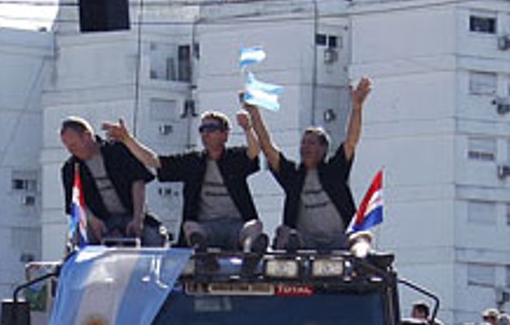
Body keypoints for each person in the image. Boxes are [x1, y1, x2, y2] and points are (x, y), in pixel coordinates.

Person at [109, 107, 266, 252]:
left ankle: (250, 255)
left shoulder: (235, 158)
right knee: (190, 227)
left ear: (225, 134)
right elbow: (154, 161)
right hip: (206, 227)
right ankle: (202, 254)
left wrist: (247, 128)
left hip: (236, 226)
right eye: (202, 129)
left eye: (211, 129)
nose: (205, 134)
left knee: (255, 226)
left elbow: (253, 152)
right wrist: (127, 139)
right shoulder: (193, 162)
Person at [252, 78, 372, 251]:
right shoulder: (293, 174)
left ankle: (362, 257)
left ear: (324, 149)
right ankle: (285, 255)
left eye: (311, 143)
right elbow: (268, 148)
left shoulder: (334, 170)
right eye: (303, 143)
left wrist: (357, 107)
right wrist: (254, 114)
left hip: (339, 240)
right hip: (305, 241)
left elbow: (351, 141)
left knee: (362, 236)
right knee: (285, 233)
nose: (305, 147)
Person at [58, 117, 163, 247]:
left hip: (131, 214)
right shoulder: (70, 168)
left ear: (86, 136)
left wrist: (138, 218)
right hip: (100, 220)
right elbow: (75, 203)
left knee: (153, 237)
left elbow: (138, 182)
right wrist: (92, 220)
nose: (71, 150)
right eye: (67, 147)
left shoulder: (118, 150)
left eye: (73, 145)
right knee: (80, 244)